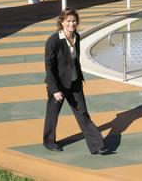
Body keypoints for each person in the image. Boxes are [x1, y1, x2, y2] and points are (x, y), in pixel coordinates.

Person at [43, 8, 109, 154]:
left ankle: (97, 145)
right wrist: (54, 90)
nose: (72, 23)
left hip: (74, 83)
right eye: (68, 21)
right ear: (62, 22)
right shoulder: (53, 41)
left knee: (83, 113)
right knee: (52, 114)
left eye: (74, 21)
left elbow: (74, 60)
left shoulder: (77, 37)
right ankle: (49, 141)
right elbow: (49, 67)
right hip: (58, 85)